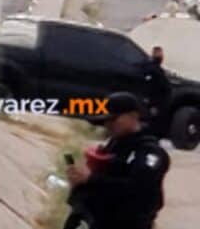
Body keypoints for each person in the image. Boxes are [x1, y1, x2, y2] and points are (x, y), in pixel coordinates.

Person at [64, 92, 170, 229]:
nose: (109, 124)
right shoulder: (113, 146)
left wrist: (91, 179)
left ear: (133, 116)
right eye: (106, 120)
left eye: (114, 119)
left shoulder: (149, 152)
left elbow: (138, 189)